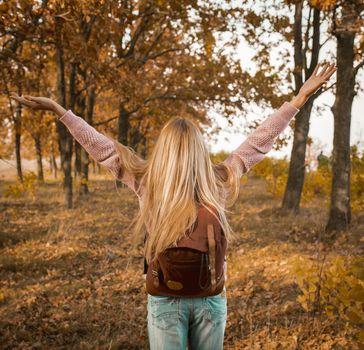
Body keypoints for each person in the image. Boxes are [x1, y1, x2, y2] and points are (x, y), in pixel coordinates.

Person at [10, 62, 336, 349]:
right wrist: (298, 99)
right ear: (199, 149)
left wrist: (58, 110)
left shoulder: (145, 180)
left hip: (165, 295)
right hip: (210, 296)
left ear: (163, 149)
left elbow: (100, 146)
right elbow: (258, 142)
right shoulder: (219, 179)